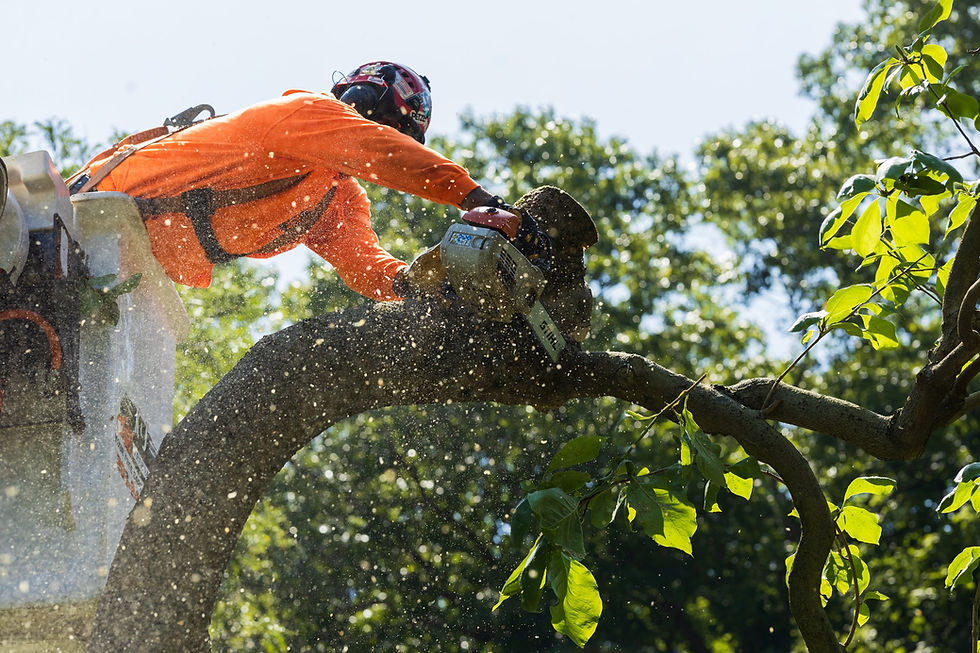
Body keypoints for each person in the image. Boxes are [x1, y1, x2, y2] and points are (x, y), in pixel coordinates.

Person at [68, 61, 549, 301]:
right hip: (85, 219)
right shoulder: (306, 112)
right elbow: (382, 152)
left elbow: (364, 267)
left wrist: (417, 282)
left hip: (131, 273)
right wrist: (479, 198)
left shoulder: (336, 198)